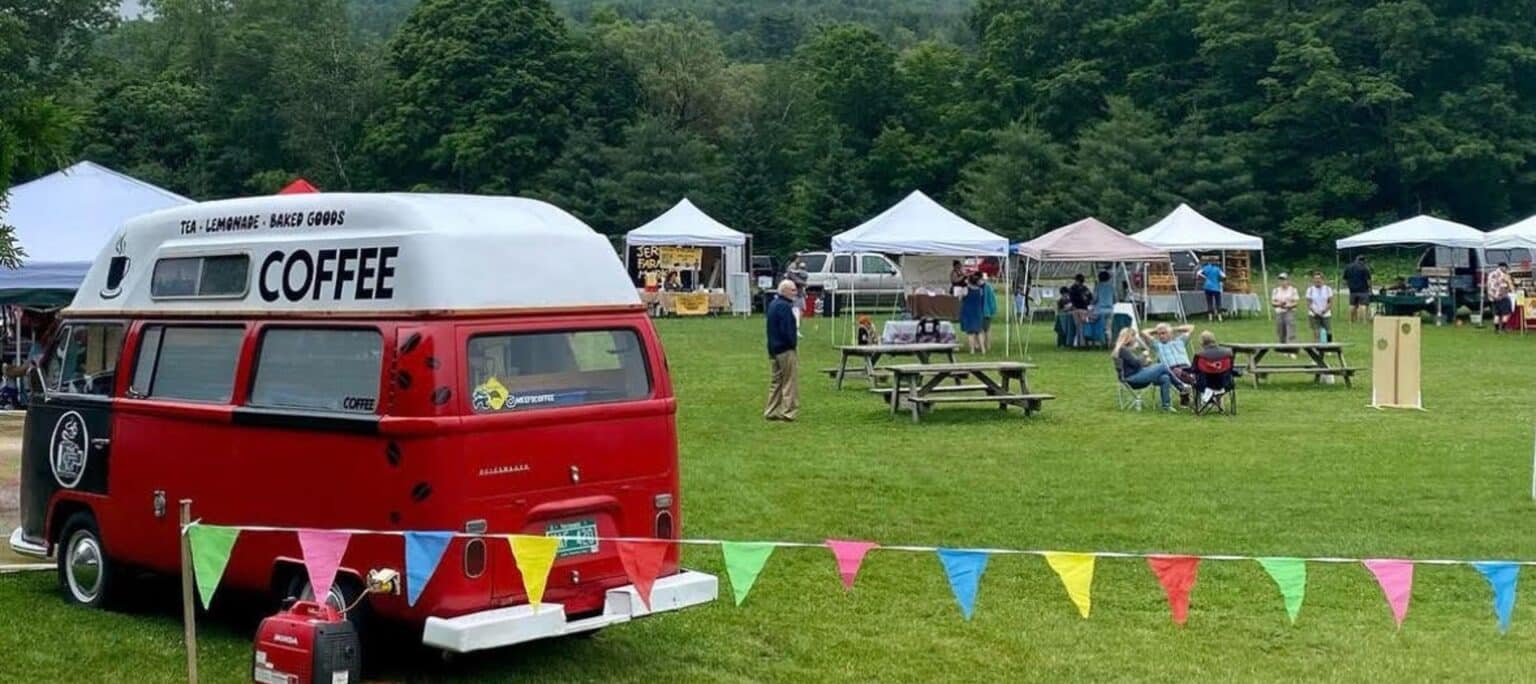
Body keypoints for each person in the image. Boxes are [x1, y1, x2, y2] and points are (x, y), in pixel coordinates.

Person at [1112, 328, 1177, 411]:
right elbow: (1135, 364)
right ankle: (1181, 387)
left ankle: (1166, 406)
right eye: (1134, 336)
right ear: (1129, 337)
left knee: (1165, 377)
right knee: (1162, 366)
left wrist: (1146, 363)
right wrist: (1143, 355)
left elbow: (1134, 366)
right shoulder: (1123, 350)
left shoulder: (1123, 350)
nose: (1135, 339)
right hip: (1132, 379)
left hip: (1134, 376)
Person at [764, 280, 800, 421]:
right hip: (785, 349)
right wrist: (793, 343)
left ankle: (771, 410)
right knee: (789, 381)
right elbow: (787, 330)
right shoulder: (785, 307)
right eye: (793, 290)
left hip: (773, 348)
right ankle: (788, 411)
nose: (795, 292)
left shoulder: (773, 304)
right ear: (784, 291)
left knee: (776, 381)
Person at [1141, 323, 1195, 393]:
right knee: (1177, 371)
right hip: (1171, 371)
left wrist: (1173, 328)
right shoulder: (1158, 345)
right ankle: (1192, 383)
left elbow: (1191, 327)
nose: (1161, 336)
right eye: (1159, 334)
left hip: (1186, 368)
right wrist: (1158, 329)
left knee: (1198, 371)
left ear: (1170, 333)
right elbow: (1144, 332)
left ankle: (1185, 389)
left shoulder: (1180, 341)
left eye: (1163, 333)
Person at [959, 272, 986, 354]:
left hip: (968, 312)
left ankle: (972, 350)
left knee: (970, 332)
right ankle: (983, 349)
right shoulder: (980, 290)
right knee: (979, 331)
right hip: (978, 311)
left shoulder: (965, 289)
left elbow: (960, 298)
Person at [1271, 272, 1300, 344]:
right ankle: (1282, 348)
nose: (1282, 282)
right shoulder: (1276, 290)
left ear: (1287, 280)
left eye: (1284, 280)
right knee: (1280, 330)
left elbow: (1296, 302)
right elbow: (1273, 302)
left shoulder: (1293, 290)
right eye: (1280, 280)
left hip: (1289, 311)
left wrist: (1289, 305)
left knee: (1290, 330)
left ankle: (1292, 349)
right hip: (1279, 312)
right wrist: (1279, 304)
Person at [1305, 270, 1334, 342]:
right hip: (1314, 314)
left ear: (1322, 279)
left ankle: (1329, 347)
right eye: (1315, 279)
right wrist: (1314, 312)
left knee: (1328, 331)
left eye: (1319, 279)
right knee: (1316, 331)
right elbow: (1309, 303)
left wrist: (1324, 311)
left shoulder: (1328, 289)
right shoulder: (1310, 289)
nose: (1317, 280)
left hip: (1325, 313)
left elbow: (1330, 302)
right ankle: (1316, 346)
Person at [1343, 255, 1372, 323]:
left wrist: (1349, 286)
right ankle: (1364, 321)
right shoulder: (1364, 268)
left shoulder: (1348, 267)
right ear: (1363, 260)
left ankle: (1350, 320)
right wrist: (1370, 288)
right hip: (1363, 290)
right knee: (1363, 305)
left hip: (1352, 290)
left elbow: (1345, 280)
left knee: (1352, 305)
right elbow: (1368, 280)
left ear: (1356, 259)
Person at [1067, 274, 1093, 347]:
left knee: (1078, 327)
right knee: (1083, 326)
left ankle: (1080, 343)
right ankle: (1083, 342)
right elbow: (1090, 297)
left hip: (1076, 309)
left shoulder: (1073, 288)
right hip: (1084, 309)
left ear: (1076, 280)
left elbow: (1071, 299)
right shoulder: (1085, 288)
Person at [1487, 262, 1514, 333]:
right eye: (1506, 268)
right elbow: (1510, 285)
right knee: (1506, 313)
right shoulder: (1504, 275)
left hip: (1493, 297)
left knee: (1497, 314)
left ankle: (1496, 329)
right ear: (1503, 267)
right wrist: (1512, 290)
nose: (1506, 269)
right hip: (1503, 296)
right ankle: (1503, 328)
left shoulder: (1491, 274)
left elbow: (1488, 285)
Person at [786, 260, 809, 336]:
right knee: (796, 312)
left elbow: (802, 277)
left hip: (800, 294)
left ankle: (796, 329)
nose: (802, 269)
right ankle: (795, 330)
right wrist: (804, 283)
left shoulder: (803, 274)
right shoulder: (792, 274)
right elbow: (796, 280)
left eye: (803, 267)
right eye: (801, 267)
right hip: (794, 294)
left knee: (801, 311)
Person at [980, 272, 998, 353]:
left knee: (983, 330)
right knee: (987, 329)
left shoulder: (984, 288)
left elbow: (991, 300)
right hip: (986, 312)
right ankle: (987, 345)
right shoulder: (988, 288)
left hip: (983, 312)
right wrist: (993, 310)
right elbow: (992, 301)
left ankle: (984, 345)